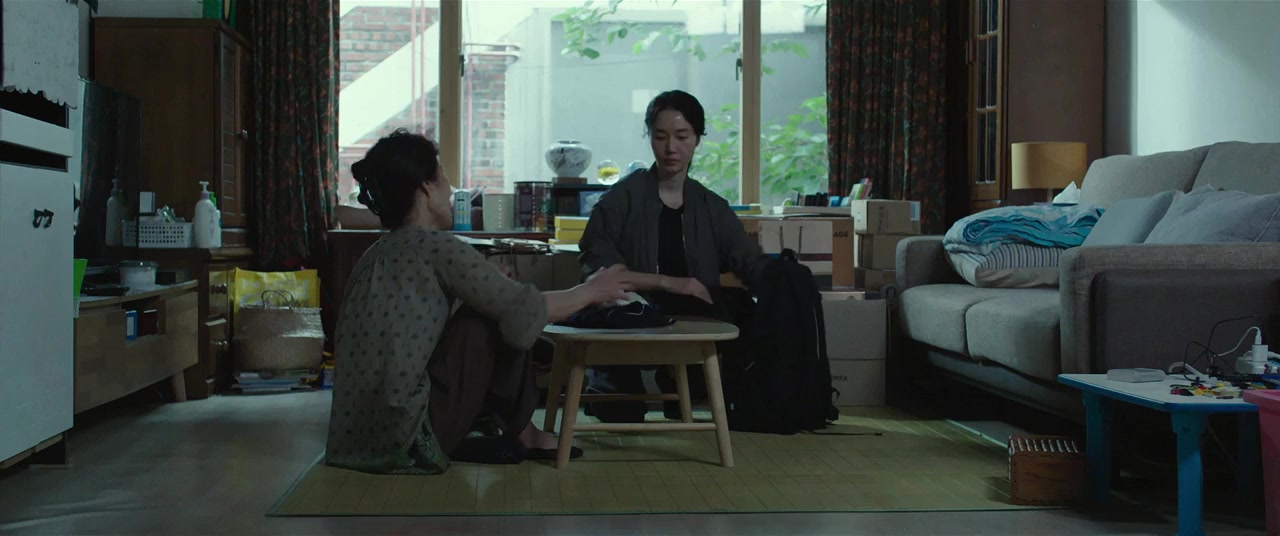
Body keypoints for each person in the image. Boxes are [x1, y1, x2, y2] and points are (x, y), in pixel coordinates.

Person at [326, 129, 632, 475]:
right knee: (494, 318)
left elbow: (413, 328)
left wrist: (488, 284)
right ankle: (525, 432)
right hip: (408, 438)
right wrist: (592, 290)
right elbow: (523, 309)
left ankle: (499, 430)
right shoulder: (439, 246)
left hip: (354, 441)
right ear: (426, 188)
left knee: (489, 308)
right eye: (444, 179)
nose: (450, 190)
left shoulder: (374, 254)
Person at [577, 90, 770, 423]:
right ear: (649, 137)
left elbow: (745, 259)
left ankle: (708, 387)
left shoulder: (711, 206)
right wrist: (670, 282)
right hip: (631, 310)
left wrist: (783, 277)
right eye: (660, 136)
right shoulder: (621, 199)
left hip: (692, 311)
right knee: (621, 413)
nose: (671, 148)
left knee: (746, 311)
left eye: (682, 137)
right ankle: (610, 385)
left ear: (697, 139)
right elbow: (600, 269)